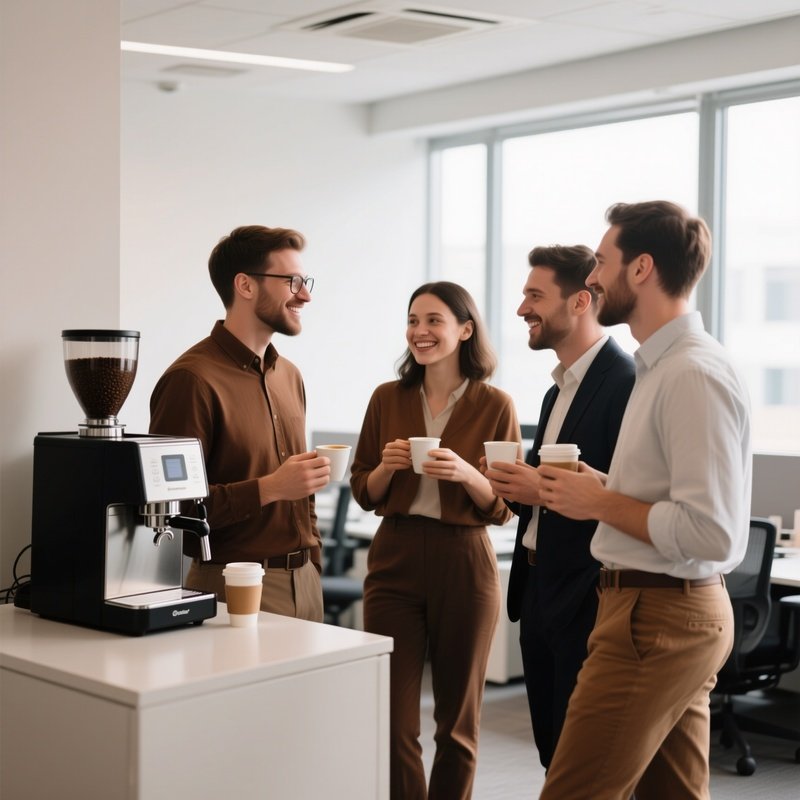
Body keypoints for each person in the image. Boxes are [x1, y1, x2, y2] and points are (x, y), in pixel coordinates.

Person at [537, 201, 752, 800]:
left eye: (602, 262)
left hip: (655, 618)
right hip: (656, 612)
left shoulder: (691, 373)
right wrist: (600, 490)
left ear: (641, 269)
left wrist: (601, 504)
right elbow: (672, 502)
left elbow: (711, 533)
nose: (592, 278)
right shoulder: (659, 367)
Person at [350, 281, 520, 800]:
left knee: (458, 724)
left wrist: (469, 474)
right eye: (413, 321)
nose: (420, 332)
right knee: (394, 722)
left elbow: (505, 506)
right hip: (395, 557)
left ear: (465, 330)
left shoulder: (495, 404)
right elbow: (363, 490)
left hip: (464, 561)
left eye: (434, 321)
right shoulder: (387, 397)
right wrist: (385, 467)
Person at [485, 244, 635, 769]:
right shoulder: (556, 392)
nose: (522, 309)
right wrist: (515, 489)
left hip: (587, 595)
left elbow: (629, 496)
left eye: (534, 296)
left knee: (588, 761)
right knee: (554, 751)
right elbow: (543, 497)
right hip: (539, 589)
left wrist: (538, 490)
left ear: (580, 301)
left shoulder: (627, 382)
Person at [149, 225, 331, 622]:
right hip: (232, 586)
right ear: (245, 286)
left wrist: (313, 561)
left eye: (305, 281)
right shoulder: (191, 380)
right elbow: (170, 508)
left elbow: (304, 493)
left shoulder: (290, 376)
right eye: (292, 281)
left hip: (305, 581)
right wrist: (268, 489)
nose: (306, 294)